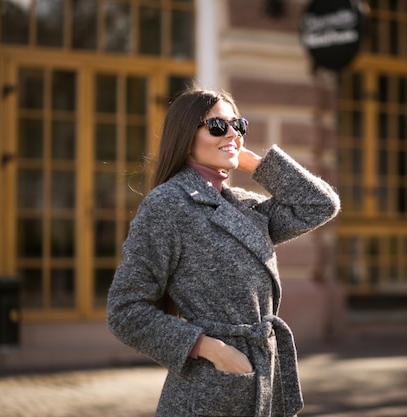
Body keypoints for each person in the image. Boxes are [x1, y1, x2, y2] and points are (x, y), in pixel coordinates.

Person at [107, 87, 340, 417]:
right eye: (217, 126)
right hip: (210, 390)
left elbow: (319, 205)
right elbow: (125, 311)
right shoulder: (167, 205)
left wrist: (251, 161)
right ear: (186, 136)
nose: (232, 133)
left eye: (238, 126)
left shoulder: (243, 205)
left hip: (263, 382)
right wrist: (211, 350)